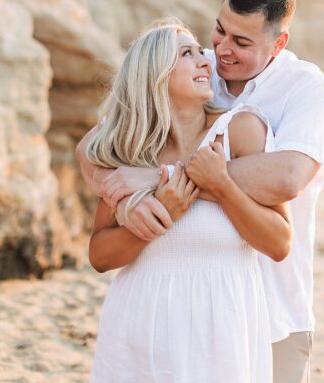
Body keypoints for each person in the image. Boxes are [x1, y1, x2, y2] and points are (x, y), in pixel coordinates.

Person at [78, 0, 324, 383]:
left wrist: (168, 180)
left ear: (278, 43)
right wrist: (132, 197)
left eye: (241, 42)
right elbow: (93, 149)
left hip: (272, 307)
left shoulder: (304, 89)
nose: (220, 51)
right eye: (218, 31)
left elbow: (288, 177)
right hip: (154, 315)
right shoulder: (204, 73)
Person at [86, 20, 290, 382]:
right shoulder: (134, 150)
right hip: (141, 330)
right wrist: (163, 212)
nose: (205, 62)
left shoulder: (239, 130)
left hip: (223, 331)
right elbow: (100, 257)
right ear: (155, 73)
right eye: (187, 53)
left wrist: (222, 185)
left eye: (200, 51)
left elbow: (278, 243)